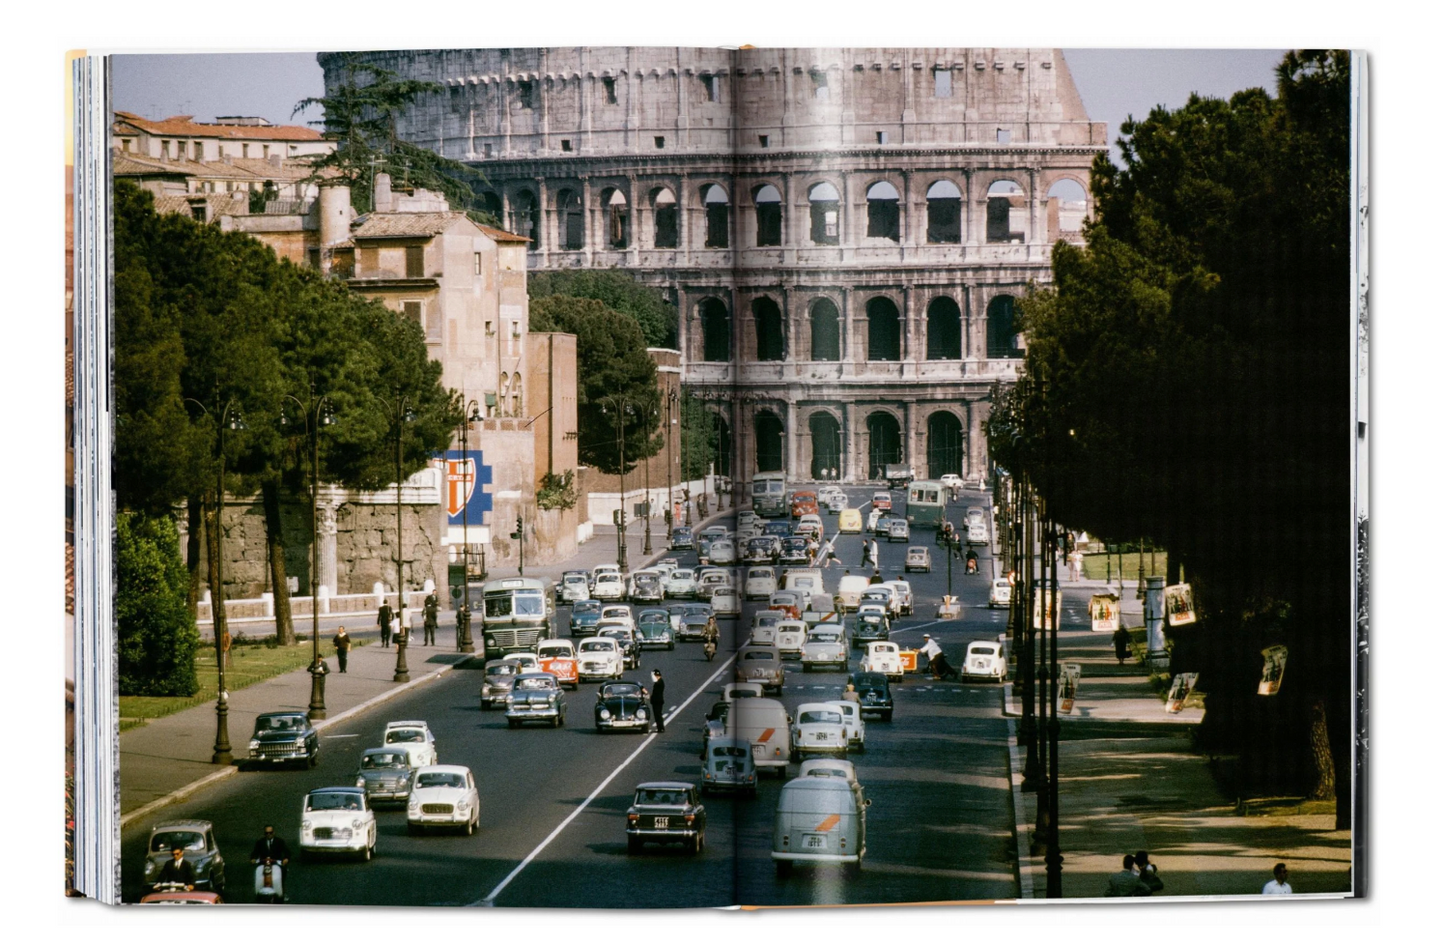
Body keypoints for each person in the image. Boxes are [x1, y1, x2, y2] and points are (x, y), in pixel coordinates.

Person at [647, 669, 667, 734]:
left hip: (658, 701)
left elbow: (657, 692)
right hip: (656, 701)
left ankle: (661, 728)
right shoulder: (658, 682)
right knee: (657, 715)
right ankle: (659, 727)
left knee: (658, 714)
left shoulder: (660, 682)